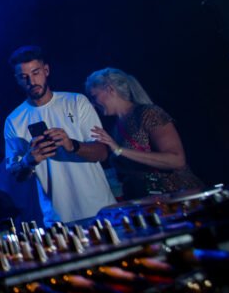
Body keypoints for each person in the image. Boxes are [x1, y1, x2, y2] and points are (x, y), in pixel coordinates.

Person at [4, 46, 116, 223]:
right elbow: (16, 176)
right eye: (24, 76)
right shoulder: (14, 120)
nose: (32, 81)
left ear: (46, 70)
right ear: (17, 79)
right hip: (58, 220)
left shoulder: (76, 102)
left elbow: (102, 153)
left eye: (36, 73)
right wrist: (28, 161)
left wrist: (72, 145)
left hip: (100, 209)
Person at [85, 68, 205, 199]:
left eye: (94, 97)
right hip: (153, 201)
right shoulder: (116, 127)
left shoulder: (149, 113)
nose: (93, 104)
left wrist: (119, 150)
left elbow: (177, 160)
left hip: (180, 196)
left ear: (110, 89)